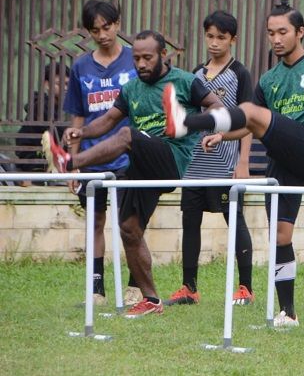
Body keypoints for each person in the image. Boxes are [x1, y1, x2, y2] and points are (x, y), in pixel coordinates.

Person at [164, 0, 304, 327]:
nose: (276, 39)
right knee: (280, 236)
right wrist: (222, 137)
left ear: (300, 32)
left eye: (283, 32)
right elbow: (249, 124)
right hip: (283, 159)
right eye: (271, 33)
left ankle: (187, 123)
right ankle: (288, 313)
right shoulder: (268, 80)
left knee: (252, 111)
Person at [45, 30, 222, 317]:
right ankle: (151, 300)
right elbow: (107, 120)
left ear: (163, 56)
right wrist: (82, 130)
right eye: (136, 58)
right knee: (129, 229)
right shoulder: (131, 89)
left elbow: (217, 105)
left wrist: (204, 128)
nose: (140, 64)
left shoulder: (185, 81)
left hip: (170, 159)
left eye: (147, 58)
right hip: (141, 165)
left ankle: (69, 162)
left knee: (128, 134)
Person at [165, 11, 255, 307]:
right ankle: (189, 287)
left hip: (226, 164)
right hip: (195, 165)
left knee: (235, 221)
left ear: (233, 40)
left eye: (221, 37)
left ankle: (245, 288)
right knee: (190, 222)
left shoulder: (239, 73)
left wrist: (243, 163)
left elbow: (248, 121)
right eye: (210, 36)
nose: (214, 43)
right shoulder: (196, 74)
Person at [60, 0, 139, 307]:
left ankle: (135, 285)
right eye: (96, 30)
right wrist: (73, 162)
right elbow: (78, 117)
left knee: (130, 223)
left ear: (118, 24)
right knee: (95, 221)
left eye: (108, 27)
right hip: (92, 159)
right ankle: (97, 290)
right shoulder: (81, 66)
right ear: (88, 32)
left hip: (127, 157)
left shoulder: (135, 60)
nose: (103, 34)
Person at [16, 63, 69, 179]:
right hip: (33, 160)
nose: (65, 88)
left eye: (67, 84)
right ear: (47, 85)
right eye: (59, 84)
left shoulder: (59, 108)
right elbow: (58, 132)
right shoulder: (41, 105)